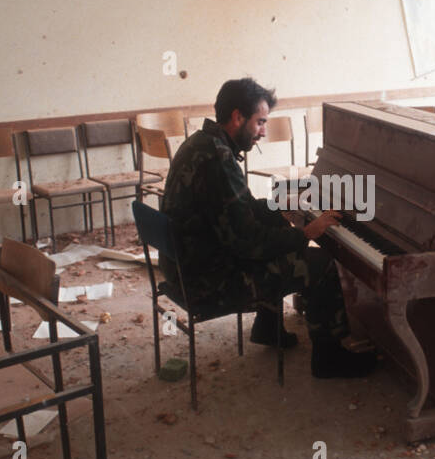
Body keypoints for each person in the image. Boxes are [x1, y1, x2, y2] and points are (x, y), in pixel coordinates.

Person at [159, 78, 377, 378]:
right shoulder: (219, 160)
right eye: (260, 122)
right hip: (208, 282)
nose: (263, 131)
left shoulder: (201, 142)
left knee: (275, 223)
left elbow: (239, 209)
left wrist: (279, 207)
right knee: (322, 265)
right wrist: (306, 232)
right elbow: (248, 243)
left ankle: (267, 327)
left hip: (184, 267)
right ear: (238, 117)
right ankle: (329, 359)